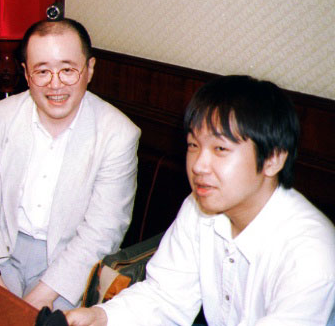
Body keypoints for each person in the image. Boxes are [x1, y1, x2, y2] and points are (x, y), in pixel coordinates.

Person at [66, 75, 335, 325]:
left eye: (220, 148)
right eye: (193, 145)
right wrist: (100, 316)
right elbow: (165, 295)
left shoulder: (311, 252)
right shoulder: (199, 206)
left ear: (273, 159)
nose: (198, 166)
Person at [0, 18, 141, 311]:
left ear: (90, 69)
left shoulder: (118, 135)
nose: (55, 84)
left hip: (69, 263)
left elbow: (102, 231)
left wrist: (33, 303)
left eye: (68, 70)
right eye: (42, 71)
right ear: (26, 74)